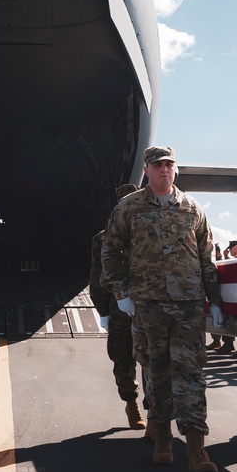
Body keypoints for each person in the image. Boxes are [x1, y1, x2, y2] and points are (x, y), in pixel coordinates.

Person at [101, 146, 223, 472]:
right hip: (149, 305)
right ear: (147, 170)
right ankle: (163, 440)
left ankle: (197, 449)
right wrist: (121, 294)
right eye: (158, 165)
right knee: (157, 372)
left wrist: (216, 300)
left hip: (188, 305)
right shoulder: (129, 207)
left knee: (192, 375)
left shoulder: (192, 208)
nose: (164, 169)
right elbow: (110, 252)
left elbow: (206, 255)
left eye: (169, 164)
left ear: (175, 170)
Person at [89, 183, 146, 430]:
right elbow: (96, 276)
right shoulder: (103, 238)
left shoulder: (149, 233)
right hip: (119, 307)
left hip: (148, 303)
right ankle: (132, 403)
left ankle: (155, 412)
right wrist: (103, 311)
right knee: (123, 358)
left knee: (154, 359)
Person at [215, 240, 237, 354]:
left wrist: (226, 257)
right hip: (231, 297)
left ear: (236, 248)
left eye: (230, 249)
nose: (228, 251)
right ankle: (228, 343)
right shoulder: (230, 259)